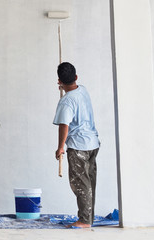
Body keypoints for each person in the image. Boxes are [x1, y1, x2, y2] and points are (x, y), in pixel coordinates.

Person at [53, 62, 100, 228]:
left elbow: (64, 125)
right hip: (93, 143)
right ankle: (89, 218)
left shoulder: (66, 101)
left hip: (79, 146)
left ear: (59, 81)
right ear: (76, 77)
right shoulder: (83, 90)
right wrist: (65, 88)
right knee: (89, 182)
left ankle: (85, 220)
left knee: (81, 184)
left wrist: (60, 147)